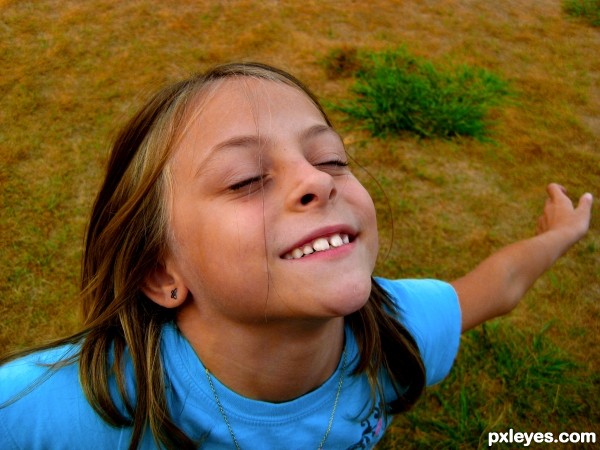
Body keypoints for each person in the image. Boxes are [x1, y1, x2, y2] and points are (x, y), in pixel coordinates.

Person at [0, 62, 593, 450]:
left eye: (331, 158)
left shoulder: (399, 332)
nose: (317, 180)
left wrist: (557, 237)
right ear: (161, 271)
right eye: (246, 178)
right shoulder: (50, 411)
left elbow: (500, 285)